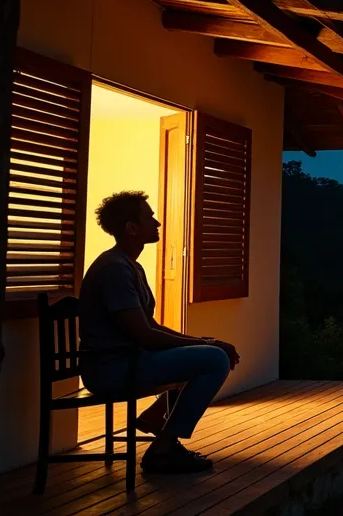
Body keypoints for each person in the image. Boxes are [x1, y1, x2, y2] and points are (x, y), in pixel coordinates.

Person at [78, 190, 241, 474]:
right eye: (150, 217)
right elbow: (144, 335)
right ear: (131, 228)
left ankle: (156, 418)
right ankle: (163, 447)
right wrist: (209, 345)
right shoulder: (114, 270)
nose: (157, 223)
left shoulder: (130, 267)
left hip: (129, 361)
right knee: (214, 360)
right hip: (112, 369)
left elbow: (150, 327)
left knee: (206, 354)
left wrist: (203, 342)